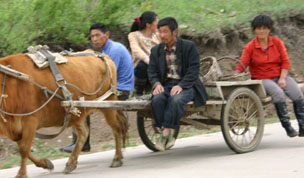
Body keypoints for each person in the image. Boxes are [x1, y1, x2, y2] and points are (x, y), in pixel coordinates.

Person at [235, 14, 304, 137]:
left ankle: (303, 128)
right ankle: (288, 127)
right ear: (254, 30)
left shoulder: (277, 42)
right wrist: (236, 74)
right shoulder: (250, 47)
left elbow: (285, 62)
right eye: (258, 28)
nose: (262, 31)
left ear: (269, 29)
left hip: (280, 75)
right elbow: (242, 64)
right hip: (262, 79)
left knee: (297, 94)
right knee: (279, 94)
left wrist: (283, 78)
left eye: (264, 28)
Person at [60, 23, 134, 153]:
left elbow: (109, 76)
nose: (94, 39)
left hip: (120, 88)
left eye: (97, 35)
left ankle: (82, 142)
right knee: (81, 100)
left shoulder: (114, 50)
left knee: (83, 104)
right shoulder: (105, 51)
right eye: (92, 36)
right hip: (110, 87)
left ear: (106, 35)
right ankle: (81, 142)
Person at [148, 17, 208, 151]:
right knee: (157, 99)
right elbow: (151, 71)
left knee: (176, 99)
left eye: (165, 32)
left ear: (175, 32)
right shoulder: (156, 51)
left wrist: (181, 85)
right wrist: (157, 84)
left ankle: (165, 134)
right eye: (160, 32)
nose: (162, 35)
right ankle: (168, 134)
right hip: (166, 85)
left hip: (188, 85)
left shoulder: (188, 46)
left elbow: (194, 69)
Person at [128, 11, 161, 94]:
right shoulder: (133, 35)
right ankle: (139, 90)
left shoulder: (158, 36)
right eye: (156, 22)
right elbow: (135, 49)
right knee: (142, 65)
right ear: (148, 25)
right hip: (142, 67)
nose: (158, 25)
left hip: (156, 66)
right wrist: (147, 59)